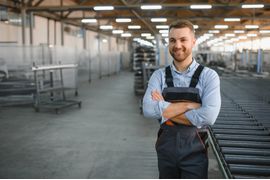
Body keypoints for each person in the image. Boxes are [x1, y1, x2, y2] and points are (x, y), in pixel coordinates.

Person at [142, 19, 221, 179]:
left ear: (193, 42)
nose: (177, 45)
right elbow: (148, 110)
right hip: (166, 151)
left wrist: (164, 110)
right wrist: (189, 105)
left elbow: (208, 116)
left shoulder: (209, 76)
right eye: (172, 40)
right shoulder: (159, 75)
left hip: (195, 150)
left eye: (183, 39)